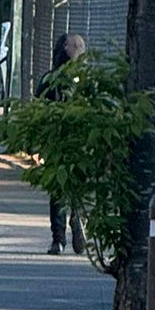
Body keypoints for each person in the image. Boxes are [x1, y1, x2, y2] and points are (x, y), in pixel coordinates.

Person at [40, 32, 88, 255]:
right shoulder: (81, 82)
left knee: (60, 189)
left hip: (59, 140)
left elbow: (38, 111)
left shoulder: (51, 79)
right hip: (75, 139)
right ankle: (75, 221)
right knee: (73, 186)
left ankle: (60, 237)